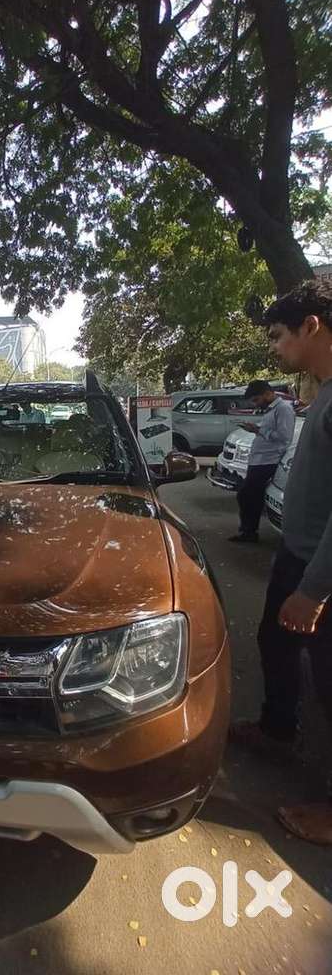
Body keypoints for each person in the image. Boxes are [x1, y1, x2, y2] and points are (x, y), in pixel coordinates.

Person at [230, 278, 332, 845]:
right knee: (275, 641)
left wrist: (313, 590)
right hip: (298, 557)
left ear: (311, 326)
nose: (273, 347)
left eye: (277, 335)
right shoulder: (323, 394)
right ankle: (276, 729)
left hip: (320, 570)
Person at [229, 379, 295, 543]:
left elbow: (284, 437)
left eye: (257, 400)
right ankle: (249, 531)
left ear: (267, 393)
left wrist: (258, 430)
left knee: (246, 495)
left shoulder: (283, 409)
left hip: (269, 460)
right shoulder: (271, 410)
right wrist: (255, 429)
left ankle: (249, 531)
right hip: (259, 459)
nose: (256, 404)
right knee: (250, 495)